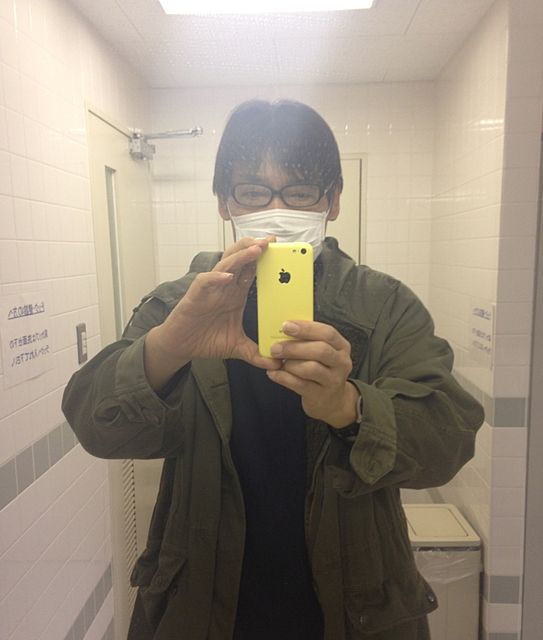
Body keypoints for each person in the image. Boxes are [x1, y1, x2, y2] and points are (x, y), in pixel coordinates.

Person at [62, 99, 484, 640]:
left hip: (356, 609)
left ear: (333, 200)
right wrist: (168, 346)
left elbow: (449, 439)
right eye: (253, 191)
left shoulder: (384, 305)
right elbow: (95, 425)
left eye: (300, 192)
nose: (277, 209)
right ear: (224, 202)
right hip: (202, 606)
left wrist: (350, 408)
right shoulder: (178, 305)